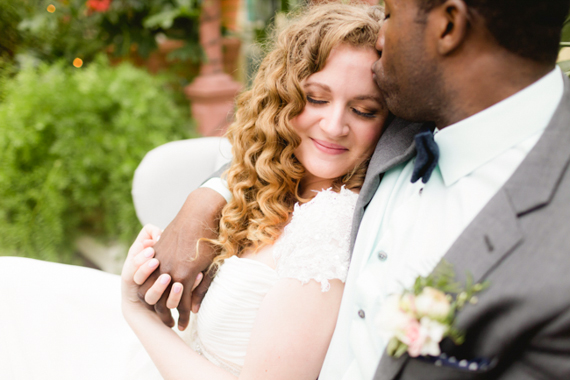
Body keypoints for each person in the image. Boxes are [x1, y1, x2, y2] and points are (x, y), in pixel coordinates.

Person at [145, 0, 570, 379]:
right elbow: (274, 143)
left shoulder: (546, 231)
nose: (382, 34)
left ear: (448, 25)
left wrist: (137, 315)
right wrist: (205, 199)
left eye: (390, 12)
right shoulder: (411, 115)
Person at [0, 3, 389, 380]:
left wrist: (137, 311)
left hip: (159, 351)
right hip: (153, 356)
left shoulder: (329, 228)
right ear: (283, 96)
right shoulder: (274, 181)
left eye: (364, 110)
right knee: (13, 292)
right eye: (317, 99)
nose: (335, 125)